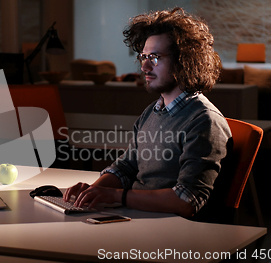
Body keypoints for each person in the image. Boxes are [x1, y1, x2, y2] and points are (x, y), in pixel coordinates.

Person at [63, 7, 232, 218]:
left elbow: (186, 200)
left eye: (154, 57)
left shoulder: (204, 121)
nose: (144, 67)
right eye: (143, 56)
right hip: (134, 216)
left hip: (169, 234)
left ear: (184, 61)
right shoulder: (153, 111)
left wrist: (116, 196)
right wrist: (92, 192)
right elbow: (126, 167)